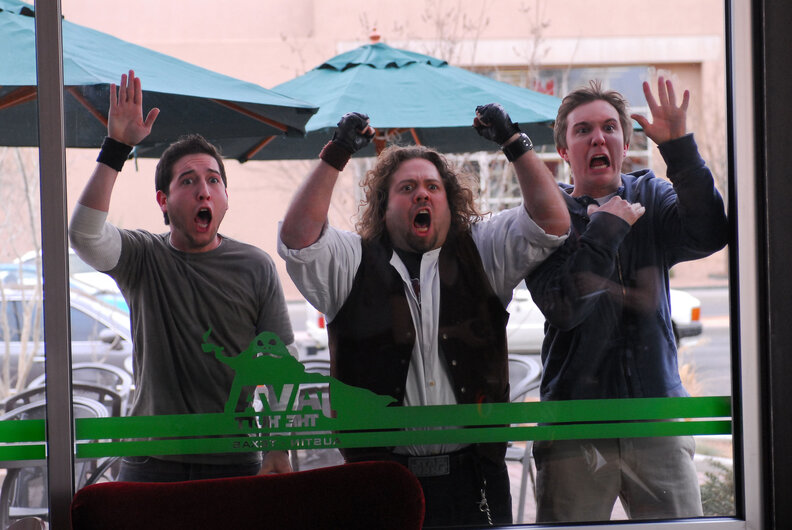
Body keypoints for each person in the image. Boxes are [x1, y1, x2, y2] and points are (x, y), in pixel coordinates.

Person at [278, 106, 569, 527]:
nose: (422, 194)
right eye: (407, 187)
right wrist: (337, 151)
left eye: (433, 186)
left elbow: (552, 222)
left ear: (450, 203)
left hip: (475, 479)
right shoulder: (352, 260)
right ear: (384, 206)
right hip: (378, 483)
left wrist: (513, 143)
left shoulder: (483, 250)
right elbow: (298, 238)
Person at [69, 70, 295, 481]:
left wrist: (278, 446)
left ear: (225, 198)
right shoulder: (142, 256)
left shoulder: (256, 265)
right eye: (188, 181)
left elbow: (279, 364)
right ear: (164, 201)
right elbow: (84, 235)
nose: (203, 190)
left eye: (213, 180)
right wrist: (117, 147)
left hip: (235, 459)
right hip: (150, 460)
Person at [524, 77, 728, 522]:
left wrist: (679, 150)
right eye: (583, 130)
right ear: (563, 151)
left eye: (609, 127)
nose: (598, 138)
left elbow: (710, 233)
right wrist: (606, 230)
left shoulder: (652, 196)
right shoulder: (546, 218)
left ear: (625, 142)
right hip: (575, 427)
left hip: (656, 416)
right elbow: (564, 308)